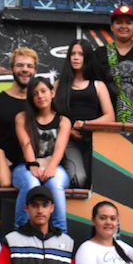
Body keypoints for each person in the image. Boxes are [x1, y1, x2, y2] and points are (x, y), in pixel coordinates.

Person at [53, 38, 115, 187]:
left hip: (95, 139)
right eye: (72, 54)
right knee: (78, 178)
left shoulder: (98, 85)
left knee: (98, 181)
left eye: (80, 54)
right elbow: (51, 116)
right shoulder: (58, 85)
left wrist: (86, 125)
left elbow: (110, 116)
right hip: (68, 140)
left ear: (87, 57)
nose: (75, 57)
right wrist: (68, 131)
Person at [13, 77, 72, 232]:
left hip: (55, 166)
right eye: (35, 93)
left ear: (52, 93)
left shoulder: (63, 120)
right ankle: (21, 231)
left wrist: (52, 168)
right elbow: (26, 144)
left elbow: (60, 147)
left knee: (54, 184)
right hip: (26, 166)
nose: (40, 96)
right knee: (31, 183)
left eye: (43, 91)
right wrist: (33, 165)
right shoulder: (22, 118)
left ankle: (61, 233)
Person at [94, 5, 133, 124]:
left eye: (128, 23)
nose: (123, 26)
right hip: (107, 120)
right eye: (119, 22)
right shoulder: (99, 53)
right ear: (112, 27)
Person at [0, 47, 39, 167]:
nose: (25, 69)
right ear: (12, 68)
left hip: (35, 170)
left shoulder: (42, 104)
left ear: (35, 71)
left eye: (29, 66)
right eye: (20, 65)